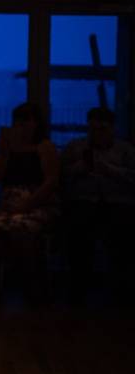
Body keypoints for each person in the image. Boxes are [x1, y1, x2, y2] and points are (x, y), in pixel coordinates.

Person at [0, 102, 59, 297]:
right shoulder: (10, 148)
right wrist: (3, 153)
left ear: (36, 123)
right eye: (17, 122)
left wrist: (27, 204)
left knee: (21, 228)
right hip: (9, 206)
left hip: (37, 205)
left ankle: (32, 286)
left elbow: (51, 181)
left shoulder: (44, 147)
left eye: (26, 122)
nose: (20, 126)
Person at [60, 107, 135, 303]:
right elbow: (61, 175)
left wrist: (109, 170)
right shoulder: (75, 148)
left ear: (112, 129)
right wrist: (80, 169)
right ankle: (79, 288)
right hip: (84, 202)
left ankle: (121, 289)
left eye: (102, 129)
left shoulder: (126, 150)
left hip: (118, 204)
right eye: (92, 129)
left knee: (121, 241)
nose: (96, 134)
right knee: (79, 238)